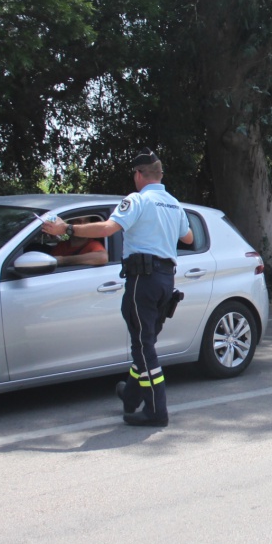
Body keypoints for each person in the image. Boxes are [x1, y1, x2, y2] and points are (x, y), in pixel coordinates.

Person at [41, 148, 192, 427]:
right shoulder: (174, 204)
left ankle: (157, 410)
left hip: (143, 280)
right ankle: (131, 395)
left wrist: (67, 229)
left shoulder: (137, 200)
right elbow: (189, 237)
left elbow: (107, 229)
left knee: (143, 346)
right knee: (146, 340)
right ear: (160, 175)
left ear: (138, 174)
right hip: (166, 281)